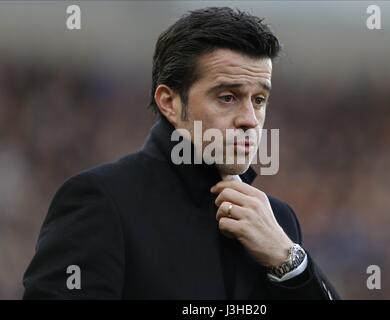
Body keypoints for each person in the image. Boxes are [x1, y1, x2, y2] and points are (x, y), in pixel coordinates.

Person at [23, 7, 339, 299]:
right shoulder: (102, 202)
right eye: (228, 97)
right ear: (170, 102)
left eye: (259, 100)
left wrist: (288, 260)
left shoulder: (278, 222)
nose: (250, 119)